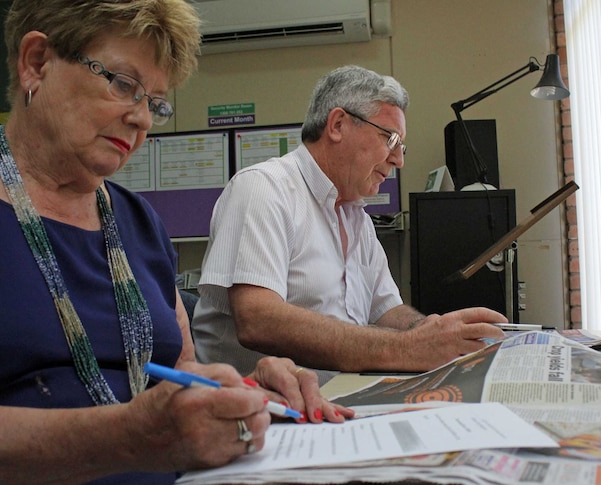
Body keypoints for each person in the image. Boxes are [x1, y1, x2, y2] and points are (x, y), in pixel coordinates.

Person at [0, 1, 352, 484]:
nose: (143, 120)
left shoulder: (137, 221)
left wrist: (239, 392)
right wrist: (128, 438)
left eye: (155, 102)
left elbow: (179, 371)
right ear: (36, 63)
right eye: (124, 84)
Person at [191, 65, 508, 385]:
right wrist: (410, 348)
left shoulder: (357, 219)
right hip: (257, 414)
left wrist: (432, 331)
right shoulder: (264, 189)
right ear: (339, 125)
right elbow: (258, 319)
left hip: (339, 401)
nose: (399, 159)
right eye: (391, 138)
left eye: (402, 145)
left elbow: (386, 310)